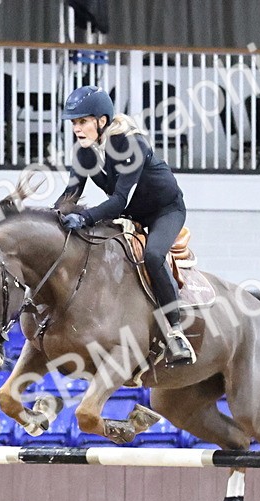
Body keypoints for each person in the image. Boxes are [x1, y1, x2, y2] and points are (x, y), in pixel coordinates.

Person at [54, 85, 196, 366]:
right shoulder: (84, 153)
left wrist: (84, 218)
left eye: (82, 121)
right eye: (73, 123)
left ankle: (176, 331)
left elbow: (119, 200)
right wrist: (50, 220)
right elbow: (70, 196)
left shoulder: (131, 144)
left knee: (153, 255)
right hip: (131, 214)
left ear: (101, 120)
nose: (76, 128)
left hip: (164, 211)